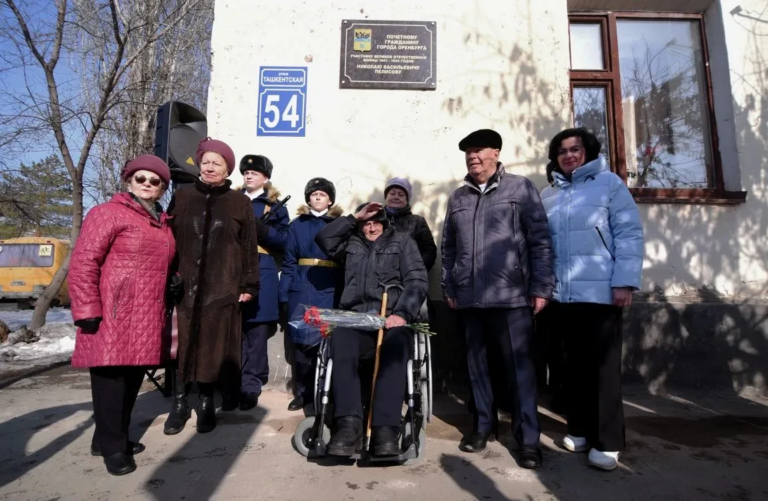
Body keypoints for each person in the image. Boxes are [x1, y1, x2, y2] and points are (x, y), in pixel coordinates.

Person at [441, 129, 554, 469]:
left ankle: (528, 440)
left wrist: (540, 288)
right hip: (470, 297)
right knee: (477, 368)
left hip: (512, 297)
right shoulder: (458, 197)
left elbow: (540, 241)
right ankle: (483, 426)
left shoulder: (519, 188)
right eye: (468, 152)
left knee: (520, 371)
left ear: (496, 153)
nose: (472, 157)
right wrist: (449, 286)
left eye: (479, 150)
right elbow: (448, 247)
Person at [539, 128, 643, 471]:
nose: (568, 155)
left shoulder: (609, 183)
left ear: (588, 152)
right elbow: (542, 247)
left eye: (575, 149)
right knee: (570, 367)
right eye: (562, 151)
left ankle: (608, 440)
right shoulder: (549, 194)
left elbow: (629, 232)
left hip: (600, 295)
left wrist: (625, 282)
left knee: (603, 370)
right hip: (560, 297)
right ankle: (580, 429)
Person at [69, 155, 175, 476]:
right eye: (140, 178)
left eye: (154, 181)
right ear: (129, 181)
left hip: (145, 315)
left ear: (162, 189)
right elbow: (84, 261)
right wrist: (87, 308)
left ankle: (107, 439)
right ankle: (114, 448)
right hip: (112, 313)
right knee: (110, 382)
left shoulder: (161, 222)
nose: (147, 184)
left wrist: (174, 280)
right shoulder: (107, 213)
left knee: (130, 381)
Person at [163, 137, 261, 436]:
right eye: (205, 162)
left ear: (227, 169)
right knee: (180, 347)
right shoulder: (182, 196)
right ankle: (179, 404)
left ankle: (205, 402)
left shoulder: (239, 202)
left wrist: (249, 283)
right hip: (185, 285)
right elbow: (166, 239)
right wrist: (168, 275)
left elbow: (248, 247)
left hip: (222, 286)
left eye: (216, 163)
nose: (209, 167)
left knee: (210, 347)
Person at [315, 202, 428, 457]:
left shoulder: (402, 242)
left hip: (391, 319)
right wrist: (353, 217)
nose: (371, 226)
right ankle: (348, 423)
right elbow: (324, 238)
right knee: (340, 340)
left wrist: (402, 313)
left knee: (397, 346)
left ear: (386, 224)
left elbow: (417, 280)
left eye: (376, 221)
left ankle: (385, 427)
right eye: (366, 222)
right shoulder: (351, 243)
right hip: (356, 319)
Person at [279, 177, 343, 412]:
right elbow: (288, 263)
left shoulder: (339, 224)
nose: (317, 197)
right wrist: (284, 296)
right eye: (313, 194)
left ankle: (325, 392)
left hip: (329, 288)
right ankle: (303, 393)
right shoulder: (297, 225)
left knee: (327, 343)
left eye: (322, 194)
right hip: (302, 287)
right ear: (308, 198)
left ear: (330, 200)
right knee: (302, 345)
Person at [237, 154, 290, 411]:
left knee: (257, 331)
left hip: (262, 269)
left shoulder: (274, 206)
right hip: (231, 270)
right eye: (246, 172)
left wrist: (263, 230)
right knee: (231, 329)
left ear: (265, 178)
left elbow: (284, 242)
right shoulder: (230, 202)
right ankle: (230, 382)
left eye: (255, 173)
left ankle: (251, 384)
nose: (249, 176)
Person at [383, 177, 437, 272]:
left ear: (406, 200)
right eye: (392, 193)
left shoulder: (417, 221)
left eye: (401, 195)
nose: (396, 197)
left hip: (407, 281)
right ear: (386, 197)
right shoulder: (375, 220)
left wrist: (414, 272)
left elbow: (429, 251)